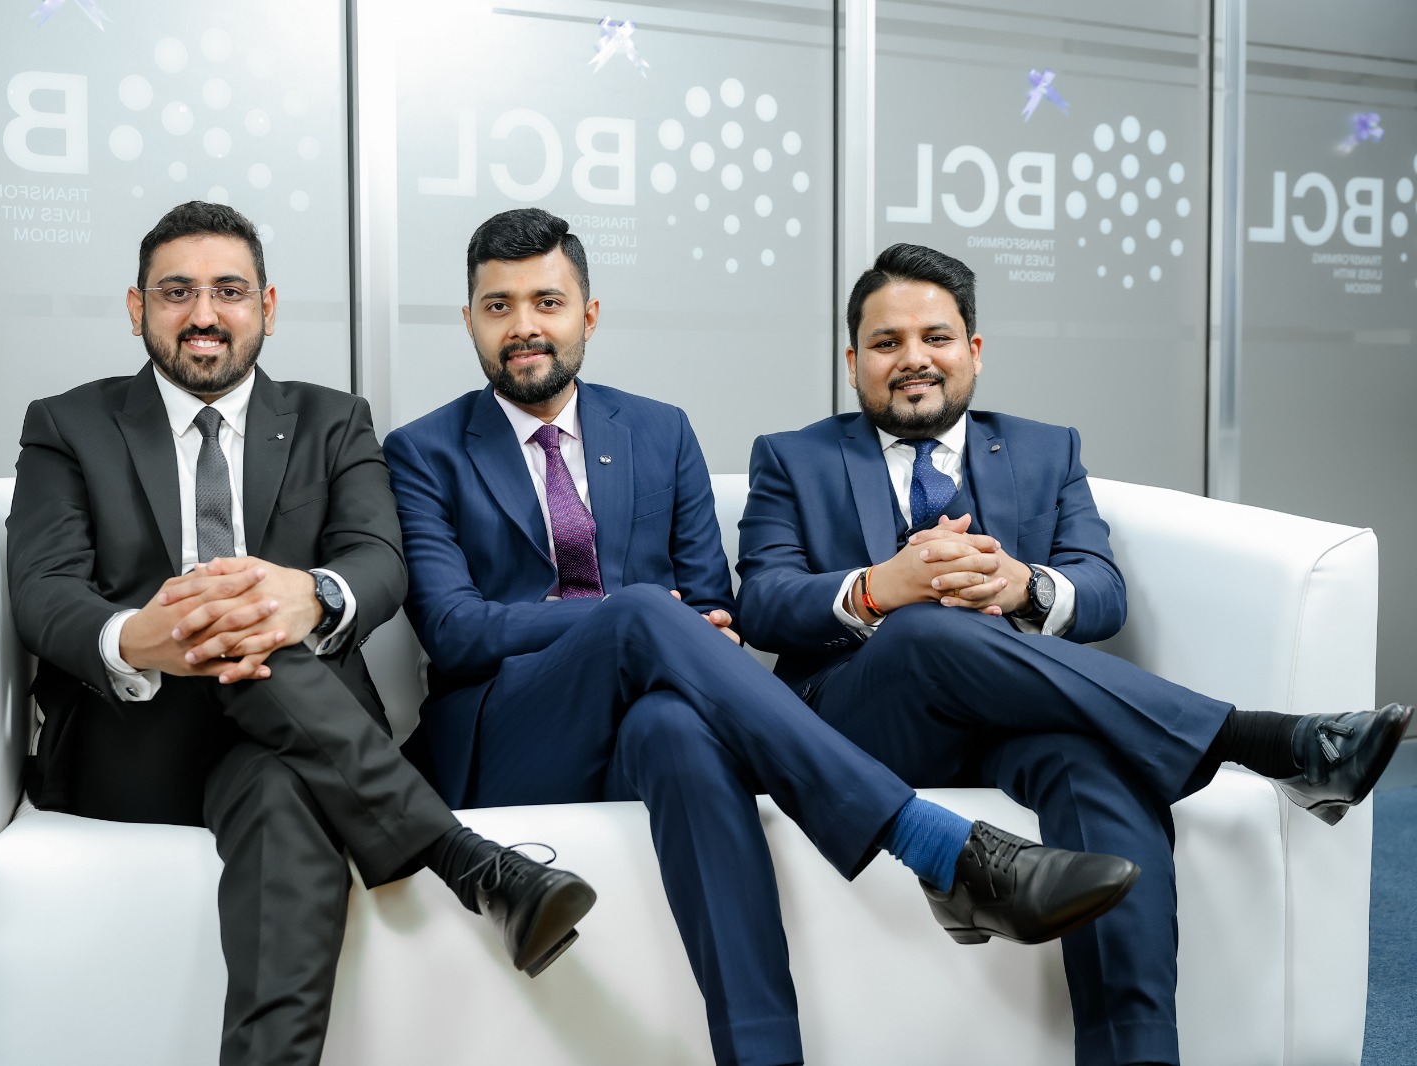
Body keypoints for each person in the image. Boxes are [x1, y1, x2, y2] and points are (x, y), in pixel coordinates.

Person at [383, 207, 1141, 1066]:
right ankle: (930, 843)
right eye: (499, 306)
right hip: (510, 737)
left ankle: (764, 1052)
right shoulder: (422, 451)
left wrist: (668, 619)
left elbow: (716, 606)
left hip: (642, 719)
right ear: (470, 321)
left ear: (587, 314)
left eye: (547, 302)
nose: (524, 326)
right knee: (639, 611)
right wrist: (632, 615)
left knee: (674, 727)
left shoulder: (659, 430)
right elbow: (456, 632)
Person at [734, 241, 1412, 1066]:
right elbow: (763, 603)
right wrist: (883, 588)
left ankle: (1136, 1051)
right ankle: (1257, 738)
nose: (914, 358)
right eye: (886, 342)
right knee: (925, 628)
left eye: (936, 337)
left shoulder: (1045, 449)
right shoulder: (792, 457)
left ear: (973, 350)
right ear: (853, 363)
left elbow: (1102, 589)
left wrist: (1024, 585)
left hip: (1018, 718)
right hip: (862, 718)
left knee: (1097, 770)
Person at [6, 201, 597, 1066]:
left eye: (229, 291)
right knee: (240, 633)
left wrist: (307, 598)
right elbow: (43, 590)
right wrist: (141, 637)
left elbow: (378, 561)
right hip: (135, 739)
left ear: (268, 307)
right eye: (176, 291)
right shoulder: (68, 425)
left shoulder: (333, 419)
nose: (204, 313)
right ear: (137, 308)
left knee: (278, 772)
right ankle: (467, 860)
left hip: (291, 748)